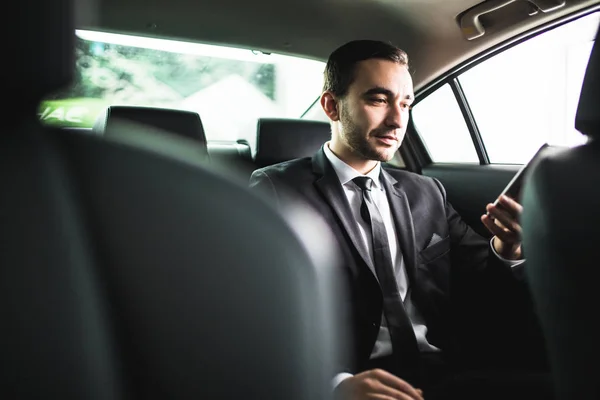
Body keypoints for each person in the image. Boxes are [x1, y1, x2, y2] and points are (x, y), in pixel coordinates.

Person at [249, 40, 551, 400]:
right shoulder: (275, 188)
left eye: (405, 103)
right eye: (378, 100)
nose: (396, 119)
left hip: (450, 370)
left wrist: (507, 246)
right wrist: (334, 386)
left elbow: (483, 286)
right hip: (357, 379)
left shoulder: (427, 192)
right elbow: (255, 312)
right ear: (332, 105)